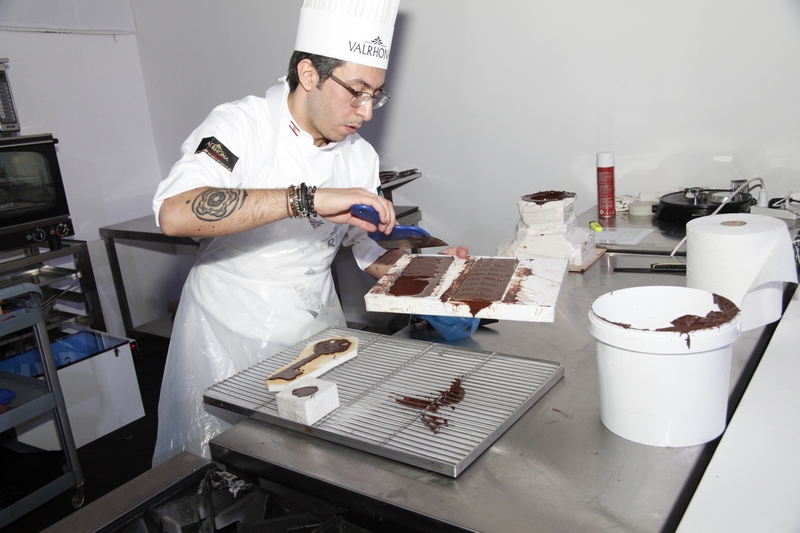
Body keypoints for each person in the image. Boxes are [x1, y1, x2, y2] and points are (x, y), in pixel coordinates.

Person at [150, 0, 467, 466]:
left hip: (315, 329)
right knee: (220, 466)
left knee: (314, 463)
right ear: (309, 73)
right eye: (356, 91)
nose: (366, 111)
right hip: (224, 333)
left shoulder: (360, 157)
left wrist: (429, 272)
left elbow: (364, 249)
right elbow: (174, 214)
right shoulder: (242, 125)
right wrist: (308, 198)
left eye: (376, 95)